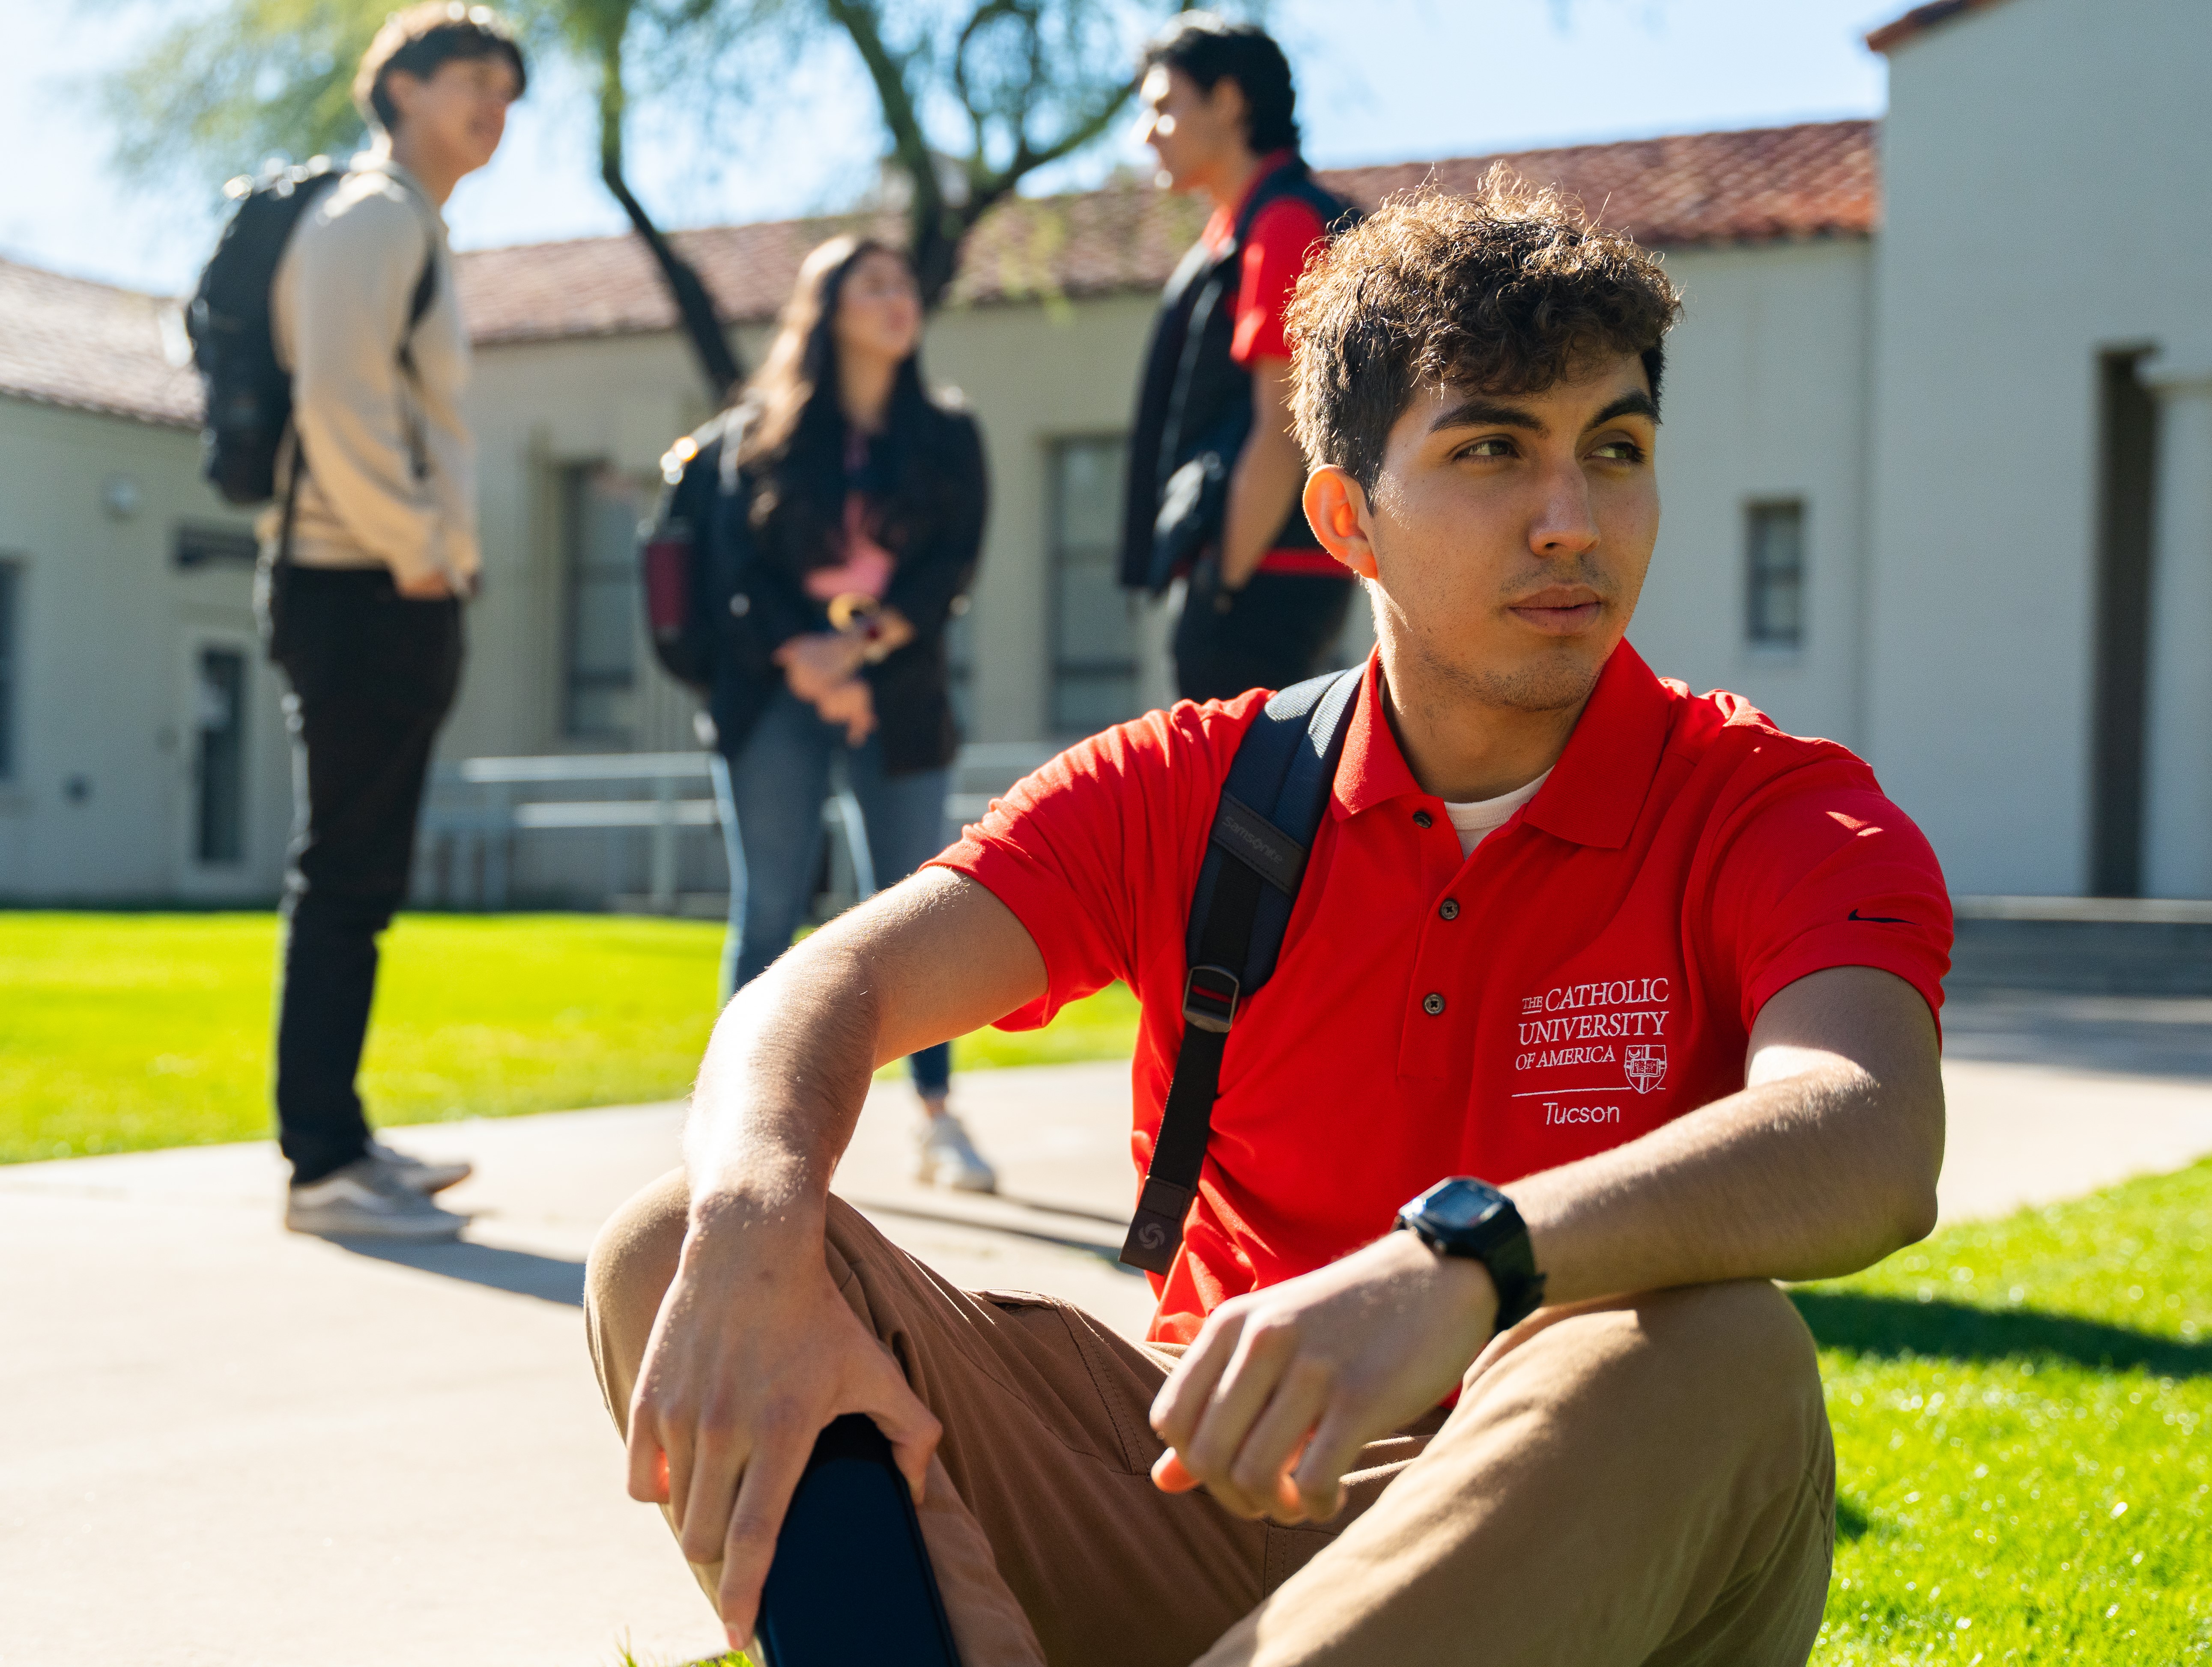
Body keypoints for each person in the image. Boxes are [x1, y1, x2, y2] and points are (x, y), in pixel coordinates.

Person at [584, 175, 1953, 1666]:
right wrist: (749, 1212)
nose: (1571, 519)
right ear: (1345, 517)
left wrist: (1463, 1261)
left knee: (1720, 1350)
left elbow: (1867, 1132)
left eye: (1612, 451)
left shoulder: (1767, 805)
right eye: (1493, 448)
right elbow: (824, 985)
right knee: (680, 1240)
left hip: (1572, 1518)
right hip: (1203, 1487)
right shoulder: (1202, 785)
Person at [266, 3, 524, 1239]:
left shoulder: (410, 223)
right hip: (360, 583)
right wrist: (423, 557)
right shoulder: (370, 217)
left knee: (363, 877)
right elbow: (342, 404)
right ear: (403, 87)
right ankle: (320, 1164)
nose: (495, 109)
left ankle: (343, 1135)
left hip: (388, 585)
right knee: (343, 872)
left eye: (509, 92)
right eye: (474, 80)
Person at [699, 235, 998, 1193]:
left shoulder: (949, 433)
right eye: (871, 283)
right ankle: (734, 1126)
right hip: (778, 693)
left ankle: (938, 1121)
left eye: (902, 280)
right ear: (826, 311)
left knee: (919, 910)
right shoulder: (764, 433)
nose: (895, 297)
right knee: (769, 911)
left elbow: (950, 565)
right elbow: (736, 570)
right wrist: (811, 659)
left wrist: (859, 653)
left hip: (897, 694)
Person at [1120, 13, 1359, 703]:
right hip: (1266, 568)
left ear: (1228, 102)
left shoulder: (1284, 224)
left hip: (1267, 575)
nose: (1146, 133)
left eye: (1164, 108)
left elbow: (1284, 430)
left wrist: (1221, 585)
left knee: (1245, 804)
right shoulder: (1245, 226)